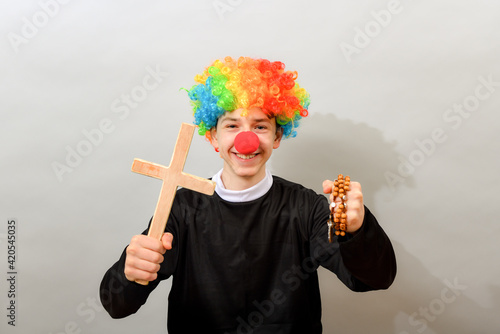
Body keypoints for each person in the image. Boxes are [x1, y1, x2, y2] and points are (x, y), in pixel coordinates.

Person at [100, 56, 397, 333]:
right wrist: (132, 270)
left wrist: (356, 230)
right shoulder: (183, 206)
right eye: (232, 126)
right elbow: (118, 304)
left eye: (260, 126)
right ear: (214, 137)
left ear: (277, 136)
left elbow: (373, 278)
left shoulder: (307, 208)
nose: (247, 140)